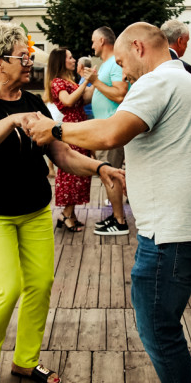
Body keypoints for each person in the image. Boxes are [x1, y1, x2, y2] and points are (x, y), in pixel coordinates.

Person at [25, 22, 191, 383]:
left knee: (157, 326)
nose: (122, 72)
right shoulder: (189, 82)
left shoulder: (157, 81)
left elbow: (110, 132)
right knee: (164, 322)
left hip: (172, 228)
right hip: (185, 222)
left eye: (122, 62)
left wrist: (52, 131)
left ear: (138, 46)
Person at [0, 24, 118, 383]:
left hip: (32, 208)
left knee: (41, 285)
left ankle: (26, 362)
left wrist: (98, 169)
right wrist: (11, 121)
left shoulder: (31, 101)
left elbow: (60, 153)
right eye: (22, 56)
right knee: (7, 287)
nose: (30, 62)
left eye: (29, 56)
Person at [85, 26, 130, 235]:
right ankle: (115, 216)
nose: (92, 45)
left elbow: (120, 94)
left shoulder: (114, 63)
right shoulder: (105, 64)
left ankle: (120, 221)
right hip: (105, 128)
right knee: (108, 172)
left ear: (102, 41)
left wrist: (95, 82)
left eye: (94, 41)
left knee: (110, 173)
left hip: (112, 128)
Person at [46, 48, 93, 231]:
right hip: (71, 129)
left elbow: (84, 98)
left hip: (79, 126)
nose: (74, 60)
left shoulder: (69, 80)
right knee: (74, 172)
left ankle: (70, 214)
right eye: (70, 57)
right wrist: (87, 82)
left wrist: (95, 82)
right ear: (61, 61)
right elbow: (68, 102)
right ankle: (66, 214)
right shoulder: (57, 82)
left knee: (79, 172)